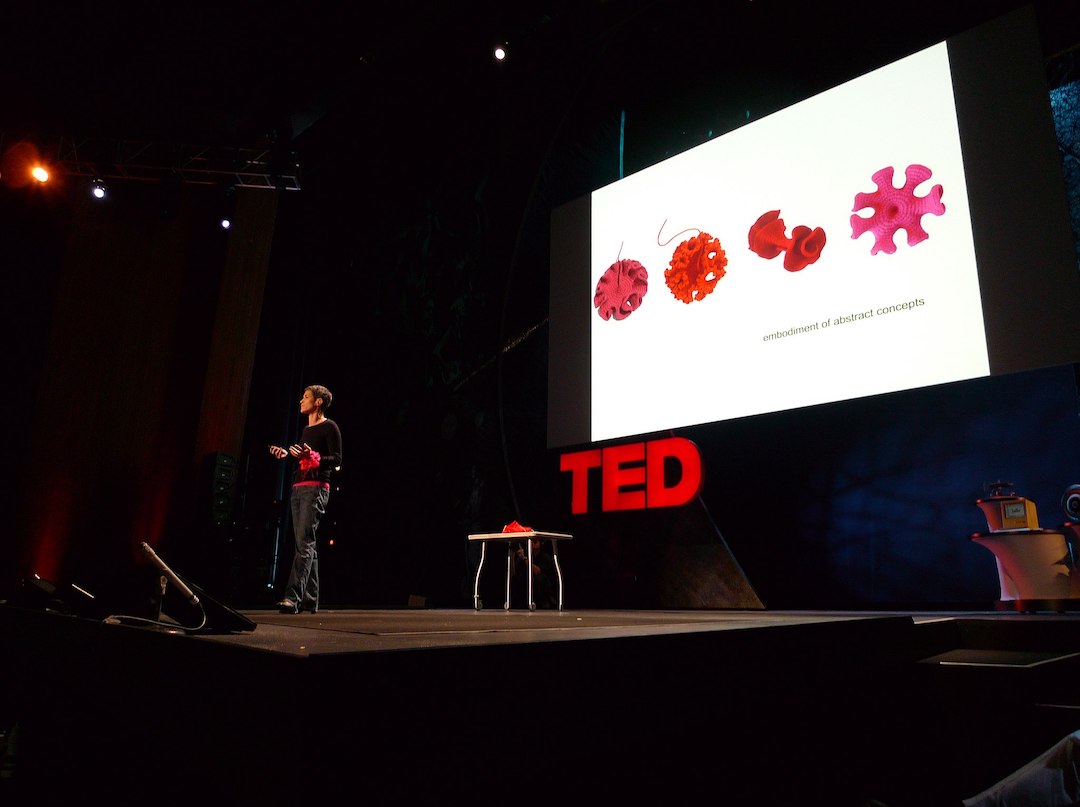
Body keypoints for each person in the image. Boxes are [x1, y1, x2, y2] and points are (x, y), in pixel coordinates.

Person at [269, 384, 342, 614]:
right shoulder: (306, 430)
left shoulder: (330, 427)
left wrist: (313, 455)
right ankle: (311, 600)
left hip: (316, 489)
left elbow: (337, 459)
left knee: (305, 544)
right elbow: (303, 461)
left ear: (318, 402)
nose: (301, 400)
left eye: (306, 397)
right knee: (306, 544)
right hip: (299, 487)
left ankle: (293, 598)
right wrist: (287, 456)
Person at [511, 538, 558, 609]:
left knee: (540, 579)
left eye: (536, 541)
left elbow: (537, 571)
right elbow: (513, 573)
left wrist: (524, 558)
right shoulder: (525, 556)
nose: (533, 543)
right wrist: (513, 555)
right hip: (525, 590)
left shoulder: (545, 557)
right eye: (532, 541)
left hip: (542, 589)